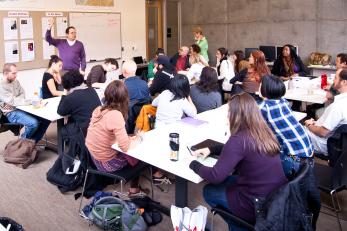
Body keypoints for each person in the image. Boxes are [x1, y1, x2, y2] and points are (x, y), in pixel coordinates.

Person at [189, 93, 287, 230]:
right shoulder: (262, 131)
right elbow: (242, 151)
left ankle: (240, 226)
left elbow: (215, 176)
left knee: (209, 190)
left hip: (256, 203)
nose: (227, 116)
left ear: (236, 114)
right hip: (275, 197)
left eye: (229, 112)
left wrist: (193, 164)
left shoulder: (238, 140)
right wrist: (212, 149)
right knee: (229, 180)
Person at [86, 80, 144, 195]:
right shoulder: (116, 115)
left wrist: (127, 138)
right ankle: (134, 190)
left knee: (131, 142)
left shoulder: (98, 109)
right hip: (106, 163)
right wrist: (139, 139)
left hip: (93, 157)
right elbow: (125, 147)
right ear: (125, 97)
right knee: (142, 158)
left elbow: (104, 134)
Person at [258, 75, 314, 179]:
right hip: (308, 155)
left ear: (264, 89)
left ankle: (267, 190)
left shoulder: (263, 107)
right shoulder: (284, 101)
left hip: (294, 160)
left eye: (260, 84)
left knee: (258, 158)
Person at [0, 63, 50, 143]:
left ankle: (32, 142)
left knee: (46, 119)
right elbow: (12, 101)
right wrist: (16, 101)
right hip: (11, 112)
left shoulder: (15, 81)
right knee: (33, 123)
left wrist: (15, 101)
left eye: (16, 73)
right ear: (6, 73)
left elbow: (22, 93)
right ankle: (21, 143)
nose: (16, 75)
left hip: (21, 107)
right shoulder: (1, 85)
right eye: (13, 73)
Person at [304, 68, 347, 156]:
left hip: (323, 143)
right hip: (336, 140)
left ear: (344, 82)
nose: (333, 81)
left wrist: (309, 125)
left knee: (290, 133)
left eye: (335, 78)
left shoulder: (338, 106)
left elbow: (323, 132)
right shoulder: (341, 102)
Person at [57, 70, 101, 135]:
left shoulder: (70, 97)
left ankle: (66, 143)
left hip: (83, 130)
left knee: (62, 129)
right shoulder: (92, 90)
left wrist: (64, 94)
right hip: (98, 126)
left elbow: (60, 112)